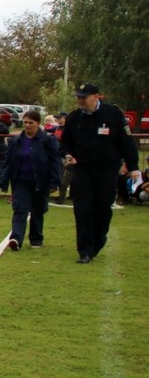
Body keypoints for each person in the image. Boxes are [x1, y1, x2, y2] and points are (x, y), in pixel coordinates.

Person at [60, 82, 141, 263]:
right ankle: (85, 251)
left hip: (107, 169)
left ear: (96, 96)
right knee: (82, 209)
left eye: (84, 97)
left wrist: (133, 166)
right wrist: (67, 155)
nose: (80, 100)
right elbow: (65, 142)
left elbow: (126, 141)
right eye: (78, 97)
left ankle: (97, 241)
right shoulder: (74, 118)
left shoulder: (113, 114)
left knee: (102, 208)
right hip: (82, 169)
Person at [0, 110, 63, 251]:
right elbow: (8, 162)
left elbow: (55, 162)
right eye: (25, 122)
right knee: (20, 209)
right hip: (21, 180)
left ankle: (36, 238)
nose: (27, 125)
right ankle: (16, 238)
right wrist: (4, 180)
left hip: (41, 181)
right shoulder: (15, 141)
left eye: (30, 123)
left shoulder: (48, 140)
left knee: (38, 210)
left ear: (38, 123)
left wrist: (54, 181)